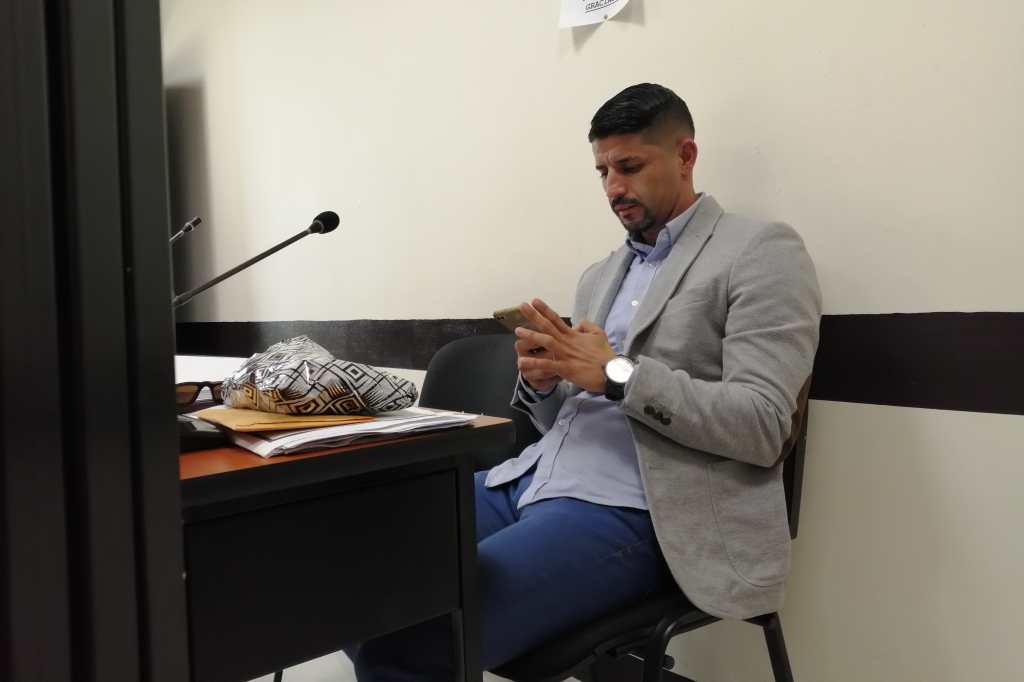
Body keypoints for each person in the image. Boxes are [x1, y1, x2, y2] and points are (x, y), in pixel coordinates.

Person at [350, 83, 821, 681]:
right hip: (530, 480)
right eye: (602, 171)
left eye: (630, 166)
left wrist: (618, 373)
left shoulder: (760, 251)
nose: (613, 187)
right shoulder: (601, 274)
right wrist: (548, 382)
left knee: (412, 641)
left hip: (640, 507)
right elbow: (572, 416)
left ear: (685, 156)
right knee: (353, 574)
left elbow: (763, 425)